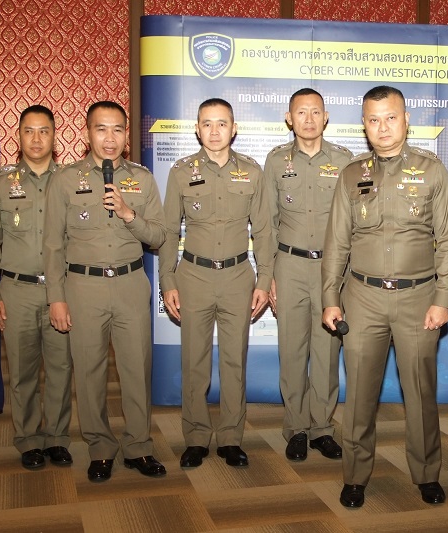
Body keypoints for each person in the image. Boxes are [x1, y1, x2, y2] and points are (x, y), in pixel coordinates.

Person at [322, 85, 448, 508]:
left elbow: (447, 242)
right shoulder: (351, 174)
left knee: (420, 394)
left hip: (418, 298)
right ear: (364, 125)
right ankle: (355, 476)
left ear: (406, 119)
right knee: (360, 396)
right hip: (363, 298)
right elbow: (336, 243)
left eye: (390, 117)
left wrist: (443, 298)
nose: (382, 127)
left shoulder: (432, 171)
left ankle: (427, 473)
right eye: (373, 120)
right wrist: (330, 298)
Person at [44, 100, 167, 482]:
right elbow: (53, 245)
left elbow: (159, 236)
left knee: (137, 370)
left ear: (126, 135)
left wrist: (129, 214)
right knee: (89, 372)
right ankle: (99, 448)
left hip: (130, 285)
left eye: (117, 129)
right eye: (101, 129)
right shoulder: (66, 180)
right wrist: (56, 298)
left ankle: (138, 446)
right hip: (83, 288)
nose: (110, 138)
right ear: (87, 133)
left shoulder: (142, 178)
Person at [159, 98, 272, 469]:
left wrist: (264, 279)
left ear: (234, 128)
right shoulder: (180, 172)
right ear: (196, 129)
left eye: (222, 123)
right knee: (194, 361)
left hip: (239, 277)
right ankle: (195, 437)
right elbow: (168, 232)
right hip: (193, 277)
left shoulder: (252, 172)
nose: (214, 131)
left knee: (234, 361)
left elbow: (264, 231)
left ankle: (230, 439)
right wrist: (167, 279)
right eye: (206, 123)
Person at [0, 105, 73, 470]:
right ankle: (29, 439)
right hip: (16, 291)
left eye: (44, 131)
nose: (36, 139)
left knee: (61, 368)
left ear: (54, 136)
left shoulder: (71, 181)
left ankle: (57, 438)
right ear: (18, 136)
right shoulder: (0, 182)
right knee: (22, 372)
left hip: (61, 292)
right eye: (29, 131)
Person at [264, 88, 352, 462]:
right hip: (290, 266)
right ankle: (297, 428)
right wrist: (267, 274)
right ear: (289, 118)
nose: (309, 119)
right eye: (301, 112)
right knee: (292, 350)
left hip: (331, 270)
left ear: (326, 117)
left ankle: (322, 429)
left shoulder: (344, 160)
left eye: (316, 112)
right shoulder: (275, 161)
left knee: (328, 352)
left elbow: (352, 223)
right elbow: (267, 224)